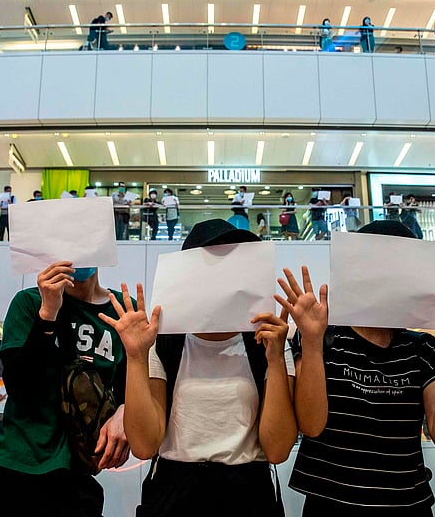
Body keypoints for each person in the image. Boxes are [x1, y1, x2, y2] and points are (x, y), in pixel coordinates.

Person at [98, 219, 296, 517]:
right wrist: (136, 357)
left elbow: (278, 449)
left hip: (249, 490)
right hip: (175, 490)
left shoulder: (267, 340)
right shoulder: (165, 341)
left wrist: (276, 359)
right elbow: (144, 445)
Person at [281, 221, 435, 516]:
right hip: (329, 504)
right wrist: (311, 341)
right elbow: (310, 425)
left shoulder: (424, 348)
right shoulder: (325, 338)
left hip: (408, 504)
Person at [0, 261, 130, 517]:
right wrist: (47, 313)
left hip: (78, 474)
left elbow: (133, 385)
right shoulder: (30, 301)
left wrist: (126, 410)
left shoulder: (122, 310)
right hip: (16, 466)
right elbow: (20, 388)